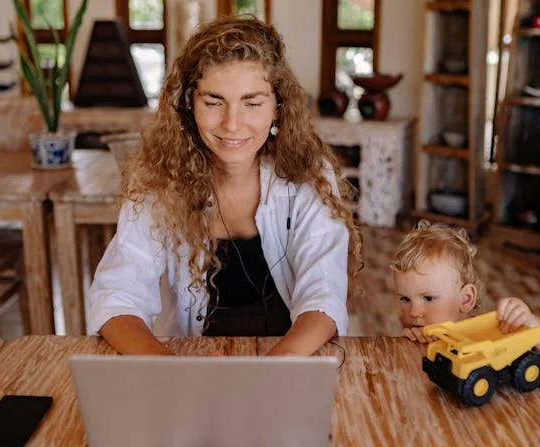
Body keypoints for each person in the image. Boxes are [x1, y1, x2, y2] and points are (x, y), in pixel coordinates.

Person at [88, 17, 362, 356]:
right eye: (213, 101)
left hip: (291, 357)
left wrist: (275, 369)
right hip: (189, 361)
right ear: (189, 104)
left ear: (278, 107)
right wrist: (164, 367)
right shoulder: (160, 180)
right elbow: (117, 295)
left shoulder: (308, 175)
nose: (232, 124)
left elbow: (324, 293)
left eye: (252, 102)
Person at [390, 220, 540, 386]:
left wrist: (532, 323)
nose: (414, 312)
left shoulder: (495, 334)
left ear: (466, 299)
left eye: (428, 298)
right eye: (405, 299)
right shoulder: (421, 337)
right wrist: (411, 346)